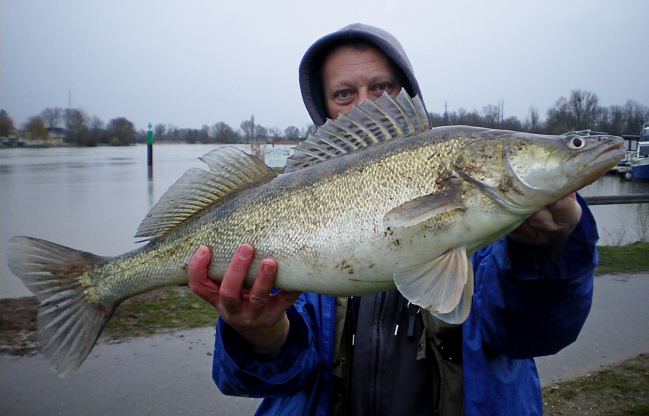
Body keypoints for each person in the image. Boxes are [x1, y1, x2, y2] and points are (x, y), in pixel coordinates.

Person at [188, 24, 596, 416]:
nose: (366, 105)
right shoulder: (292, 202)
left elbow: (534, 336)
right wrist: (259, 334)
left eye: (382, 87)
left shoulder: (495, 219)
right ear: (324, 110)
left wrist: (548, 252)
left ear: (407, 95)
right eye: (345, 93)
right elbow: (258, 382)